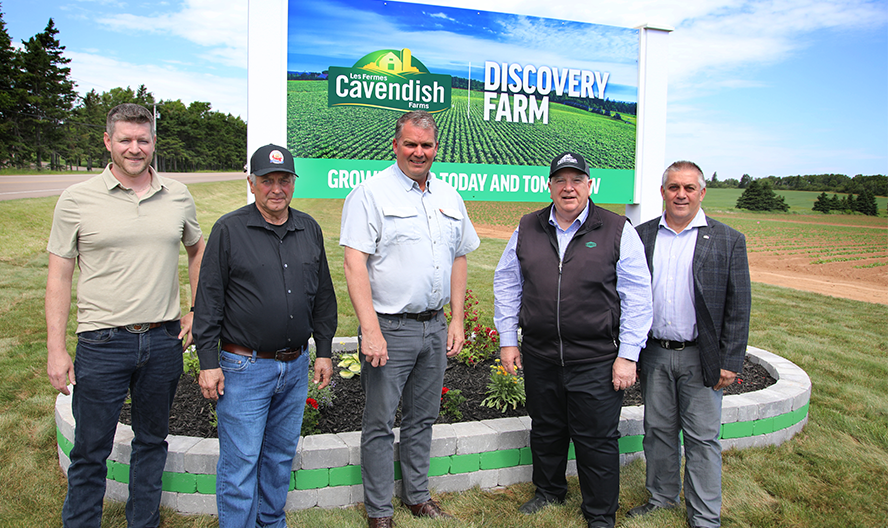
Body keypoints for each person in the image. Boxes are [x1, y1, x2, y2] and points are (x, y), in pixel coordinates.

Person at [45, 103, 205, 528]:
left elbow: (196, 251)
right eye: (125, 140)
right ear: (108, 142)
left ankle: (144, 522)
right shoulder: (76, 199)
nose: (135, 148)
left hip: (162, 341)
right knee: (90, 449)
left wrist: (194, 310)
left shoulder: (177, 195)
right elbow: (59, 276)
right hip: (101, 343)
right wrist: (56, 349)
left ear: (154, 142)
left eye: (143, 140)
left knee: (152, 442)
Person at [493, 151, 653, 528]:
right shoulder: (527, 227)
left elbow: (638, 296)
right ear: (549, 186)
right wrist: (507, 339)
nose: (568, 188)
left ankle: (599, 514)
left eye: (576, 180)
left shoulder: (617, 229)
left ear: (589, 185)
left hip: (596, 358)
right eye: (560, 180)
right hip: (540, 355)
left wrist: (628, 355)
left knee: (597, 439)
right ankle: (549, 491)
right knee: (546, 428)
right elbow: (507, 283)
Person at [339, 110, 480, 528]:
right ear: (396, 145)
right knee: (380, 422)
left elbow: (459, 256)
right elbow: (353, 263)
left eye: (427, 145)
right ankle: (380, 510)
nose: (419, 152)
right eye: (411, 144)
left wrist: (456, 320)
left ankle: (417, 496)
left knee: (423, 417)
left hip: (434, 326)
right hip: (390, 329)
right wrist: (370, 331)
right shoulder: (370, 194)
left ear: (436, 148)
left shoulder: (449, 197)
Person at [192, 143, 337, 527]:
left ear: (293, 183)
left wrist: (323, 351)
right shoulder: (229, 229)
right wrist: (208, 363)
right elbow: (208, 302)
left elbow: (323, 296)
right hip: (244, 368)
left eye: (284, 180)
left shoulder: (309, 228)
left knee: (278, 458)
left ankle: (272, 522)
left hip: (295, 367)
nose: (277, 188)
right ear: (252, 183)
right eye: (267, 180)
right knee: (240, 465)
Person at [627, 161, 751, 528]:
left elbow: (738, 306)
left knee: (702, 439)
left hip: (700, 356)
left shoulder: (728, 240)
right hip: (655, 354)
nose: (681, 194)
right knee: (659, 432)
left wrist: (730, 360)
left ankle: (704, 515)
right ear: (662, 191)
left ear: (702, 192)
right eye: (673, 187)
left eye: (689, 188)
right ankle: (662, 498)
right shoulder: (642, 235)